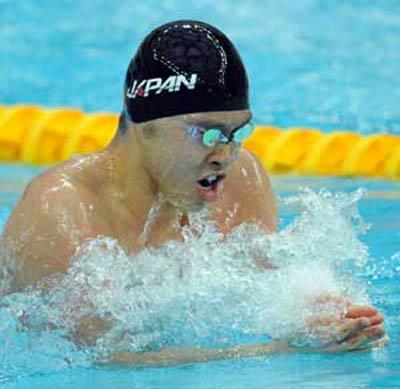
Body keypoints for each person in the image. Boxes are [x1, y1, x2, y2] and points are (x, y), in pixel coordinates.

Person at [2, 20, 386, 365]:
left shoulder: (242, 179)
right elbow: (104, 360)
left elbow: (265, 283)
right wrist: (280, 352)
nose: (226, 155)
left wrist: (320, 312)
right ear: (143, 122)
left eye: (236, 134)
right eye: (207, 133)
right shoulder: (62, 208)